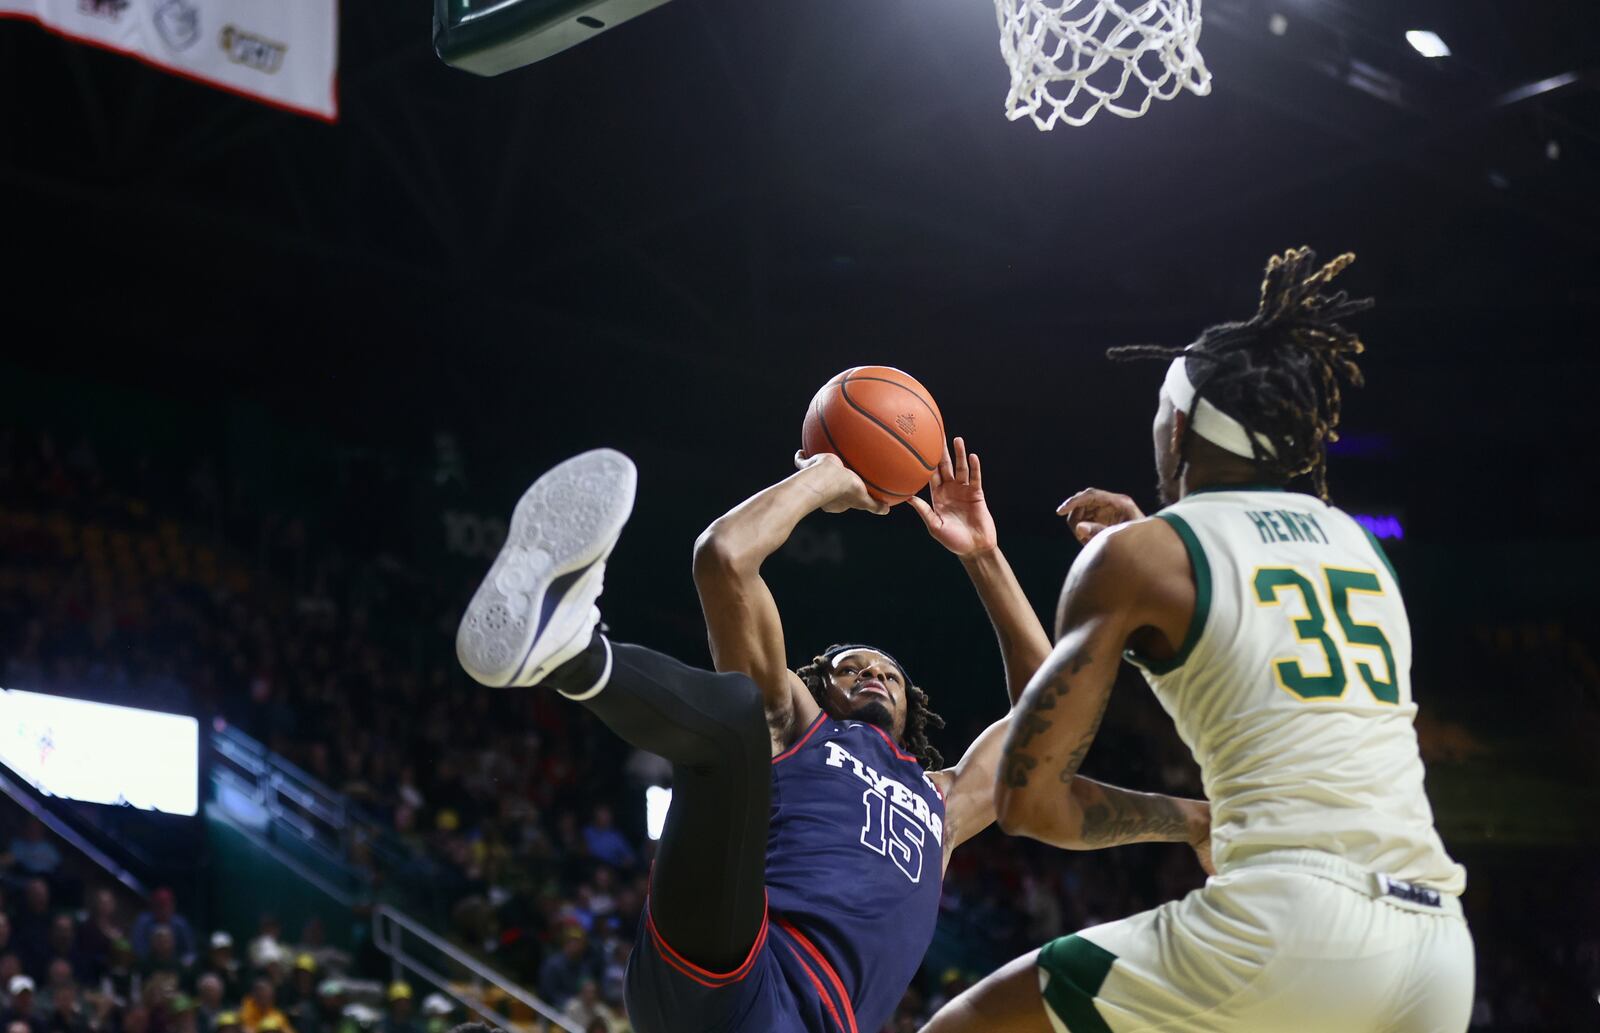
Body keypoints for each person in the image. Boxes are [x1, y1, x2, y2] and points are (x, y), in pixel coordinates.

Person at [456, 438, 1193, 1033]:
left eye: (890, 674)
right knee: (736, 715)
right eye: (850, 668)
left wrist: (981, 553)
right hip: (727, 963)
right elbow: (725, 557)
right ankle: (573, 650)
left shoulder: (944, 803)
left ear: (912, 709)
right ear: (821, 685)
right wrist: (825, 477)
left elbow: (1047, 700)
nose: (872, 673)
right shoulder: (796, 723)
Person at [920, 248, 1472, 1033]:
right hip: (1436, 946)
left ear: (1177, 425)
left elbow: (1029, 803)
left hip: (1294, 924)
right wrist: (1151, 541)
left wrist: (1188, 816)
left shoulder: (1136, 560)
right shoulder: (1359, 547)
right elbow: (1257, 606)